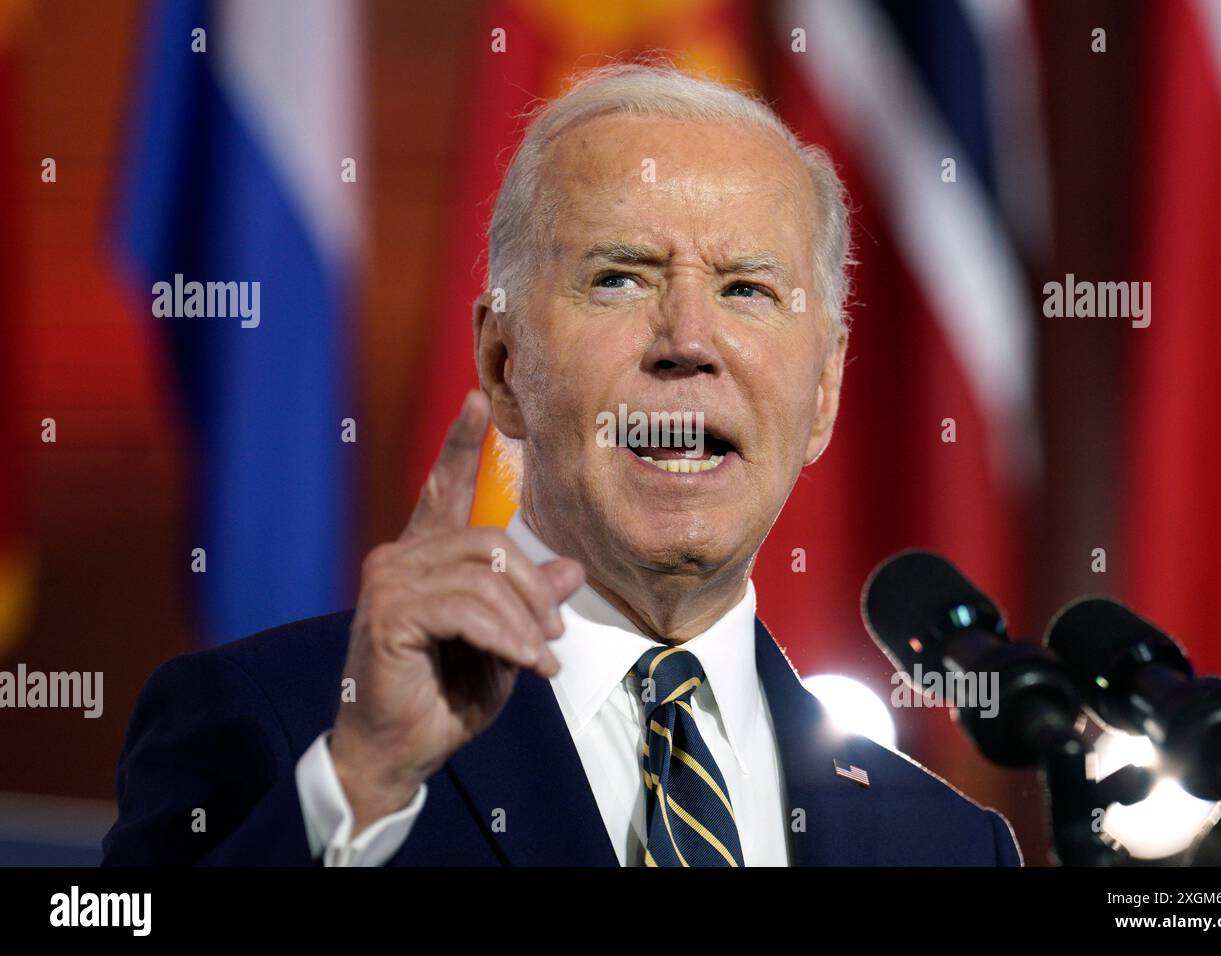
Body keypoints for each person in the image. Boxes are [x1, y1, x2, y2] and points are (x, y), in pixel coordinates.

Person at [102, 62, 1021, 867]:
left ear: (822, 395)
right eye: (620, 276)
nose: (689, 341)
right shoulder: (288, 725)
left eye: (746, 288)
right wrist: (360, 788)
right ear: (505, 364)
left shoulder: (942, 843)